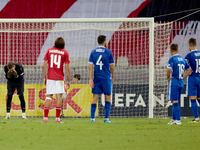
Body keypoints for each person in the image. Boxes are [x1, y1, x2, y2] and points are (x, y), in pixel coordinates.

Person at [42, 37, 70, 123]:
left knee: (48, 97)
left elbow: (44, 66)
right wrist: (69, 80)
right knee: (59, 97)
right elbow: (67, 68)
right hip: (59, 79)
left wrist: (45, 77)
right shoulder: (65, 52)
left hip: (50, 77)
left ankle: (45, 118)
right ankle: (57, 119)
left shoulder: (49, 50)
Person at [88, 35, 114, 123]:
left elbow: (90, 67)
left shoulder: (93, 52)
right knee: (108, 97)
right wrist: (112, 77)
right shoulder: (109, 52)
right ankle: (106, 119)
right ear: (104, 41)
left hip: (97, 78)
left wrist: (90, 79)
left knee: (95, 97)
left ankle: (92, 119)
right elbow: (112, 67)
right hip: (106, 78)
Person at [167, 44, 191, 125]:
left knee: (175, 101)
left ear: (170, 51)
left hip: (174, 81)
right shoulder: (182, 59)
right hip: (181, 82)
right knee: (174, 101)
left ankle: (178, 120)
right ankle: (174, 119)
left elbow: (168, 70)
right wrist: (183, 77)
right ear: (178, 50)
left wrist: (168, 78)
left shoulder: (172, 59)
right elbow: (189, 70)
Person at [185, 38, 200, 123]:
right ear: (196, 44)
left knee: (193, 98)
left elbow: (186, 67)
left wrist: (184, 75)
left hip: (193, 78)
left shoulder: (189, 55)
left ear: (189, 45)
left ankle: (197, 118)